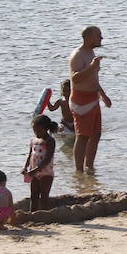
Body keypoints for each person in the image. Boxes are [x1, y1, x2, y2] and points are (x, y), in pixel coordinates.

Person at [68, 26, 112, 172]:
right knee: (82, 136)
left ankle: (90, 167)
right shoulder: (78, 54)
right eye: (98, 35)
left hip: (93, 97)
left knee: (96, 134)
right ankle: (79, 170)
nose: (102, 38)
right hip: (81, 100)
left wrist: (103, 95)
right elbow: (75, 78)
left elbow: (93, 78)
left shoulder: (91, 52)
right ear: (89, 37)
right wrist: (91, 67)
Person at [21, 115, 59, 212]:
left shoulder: (49, 140)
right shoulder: (33, 140)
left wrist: (36, 170)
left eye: (38, 130)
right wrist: (25, 167)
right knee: (34, 195)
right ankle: (33, 214)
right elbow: (30, 155)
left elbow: (47, 159)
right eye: (34, 130)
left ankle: (45, 214)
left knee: (44, 195)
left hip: (46, 172)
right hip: (34, 172)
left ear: (46, 128)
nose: (36, 132)